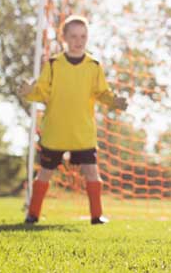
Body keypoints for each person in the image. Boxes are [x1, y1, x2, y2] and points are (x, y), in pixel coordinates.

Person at [19, 15, 128, 225]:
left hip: (82, 132)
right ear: (65, 38)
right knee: (45, 173)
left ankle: (97, 216)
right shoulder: (54, 64)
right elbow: (42, 91)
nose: (79, 40)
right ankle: (32, 215)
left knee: (92, 173)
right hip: (56, 131)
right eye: (74, 36)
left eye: (83, 36)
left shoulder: (94, 65)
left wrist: (114, 101)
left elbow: (102, 92)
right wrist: (29, 92)